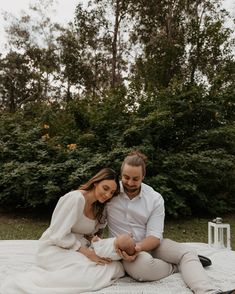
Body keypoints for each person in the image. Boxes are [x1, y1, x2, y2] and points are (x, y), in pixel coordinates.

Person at [105, 151, 235, 294]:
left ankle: (208, 291)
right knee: (143, 268)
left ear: (143, 176)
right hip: (125, 250)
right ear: (121, 174)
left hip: (150, 243)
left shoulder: (154, 198)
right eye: (126, 177)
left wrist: (138, 247)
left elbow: (154, 236)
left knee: (187, 252)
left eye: (135, 179)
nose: (130, 183)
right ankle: (177, 266)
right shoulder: (110, 193)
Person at [1, 168, 125, 294]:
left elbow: (93, 233)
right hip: (55, 247)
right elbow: (57, 235)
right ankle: (31, 283)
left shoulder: (100, 206)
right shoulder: (75, 199)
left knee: (114, 266)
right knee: (89, 271)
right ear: (95, 183)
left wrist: (94, 243)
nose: (108, 195)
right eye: (105, 188)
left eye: (112, 192)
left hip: (80, 247)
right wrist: (87, 253)